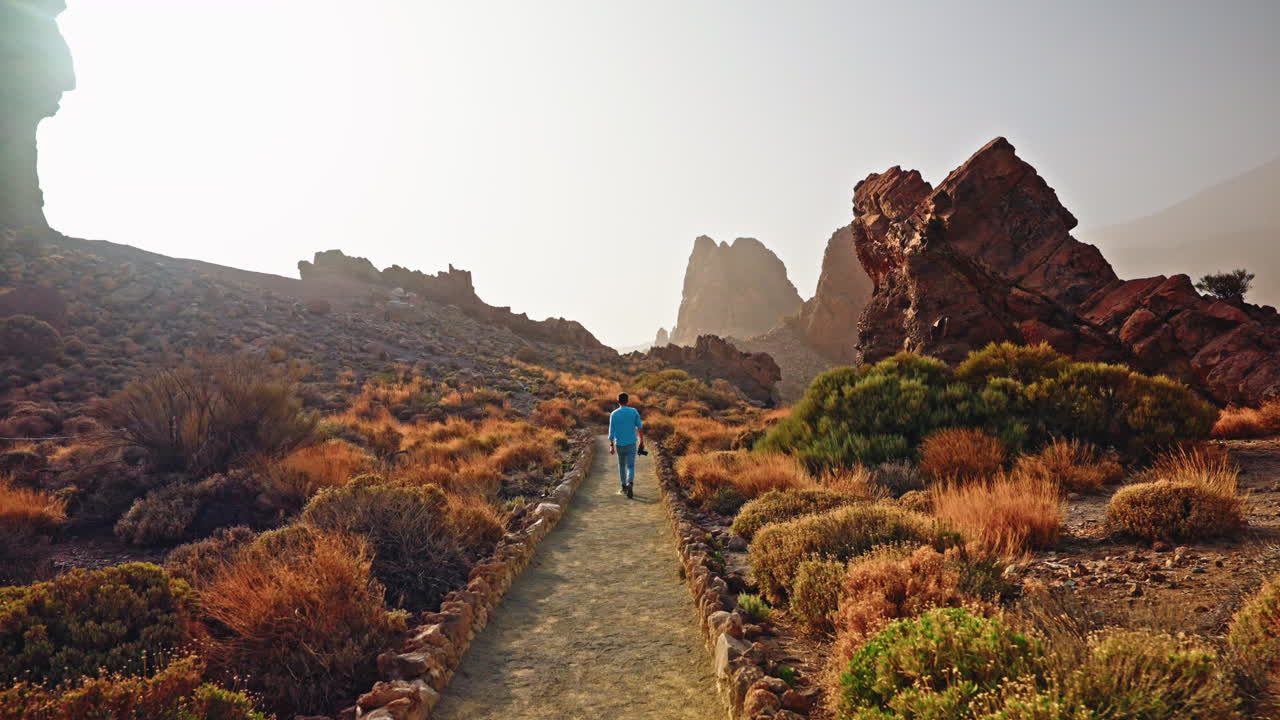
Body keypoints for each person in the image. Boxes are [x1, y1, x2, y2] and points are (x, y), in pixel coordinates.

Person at [608, 392, 644, 499]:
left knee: (622, 465)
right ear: (627, 401)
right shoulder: (633, 411)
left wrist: (611, 445)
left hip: (619, 444)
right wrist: (641, 441)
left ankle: (623, 486)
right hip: (631, 443)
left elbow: (611, 432)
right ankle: (630, 483)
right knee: (631, 466)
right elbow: (640, 427)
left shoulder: (614, 414)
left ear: (618, 402)